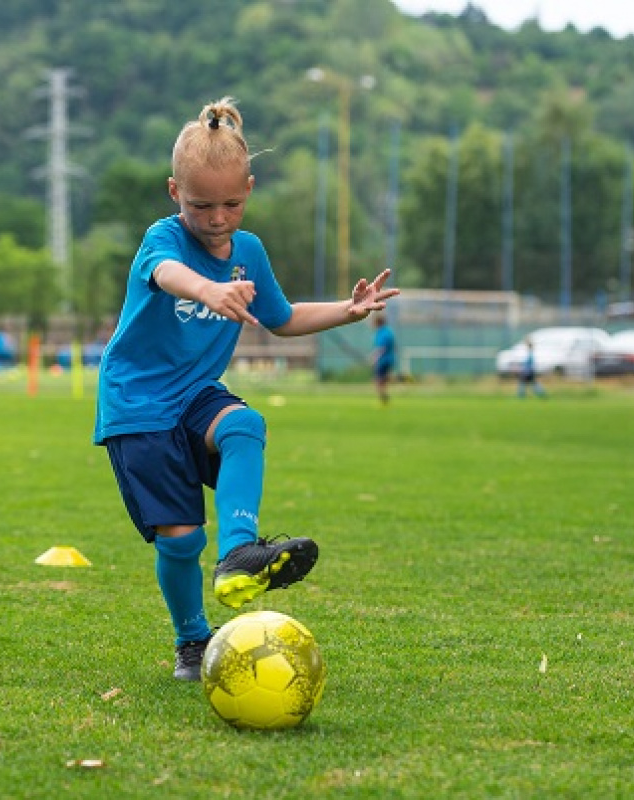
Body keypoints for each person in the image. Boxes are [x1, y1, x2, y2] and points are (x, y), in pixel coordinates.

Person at [93, 97, 399, 681]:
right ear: (173, 192)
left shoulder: (249, 252)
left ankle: (239, 552)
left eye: (231, 203)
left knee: (243, 424)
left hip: (194, 393)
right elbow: (166, 275)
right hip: (137, 404)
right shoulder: (161, 240)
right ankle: (191, 641)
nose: (216, 218)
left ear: (249, 190)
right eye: (200, 204)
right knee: (181, 541)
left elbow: (281, 318)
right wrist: (208, 292)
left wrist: (348, 309)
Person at [370, 313, 395, 405]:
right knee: (383, 381)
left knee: (378, 381)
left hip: (383, 361)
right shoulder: (388, 331)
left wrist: (374, 358)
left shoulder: (382, 333)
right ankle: (384, 400)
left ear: (377, 322)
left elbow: (381, 348)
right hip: (389, 359)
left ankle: (384, 401)